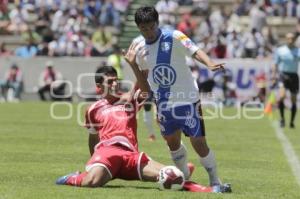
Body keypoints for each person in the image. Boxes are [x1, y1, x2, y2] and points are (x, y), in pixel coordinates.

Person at [55, 66, 231, 193]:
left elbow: (145, 90)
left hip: (131, 156)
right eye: (110, 81)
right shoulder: (93, 109)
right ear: (99, 87)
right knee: (91, 182)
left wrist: (137, 67)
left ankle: (212, 189)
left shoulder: (130, 101)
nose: (115, 84)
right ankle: (73, 177)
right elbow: (93, 137)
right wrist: (94, 160)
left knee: (172, 176)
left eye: (117, 80)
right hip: (107, 153)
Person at [123, 6, 229, 189]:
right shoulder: (137, 45)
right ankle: (184, 177)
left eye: (150, 27)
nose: (148, 32)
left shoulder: (174, 37)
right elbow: (144, 75)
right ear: (138, 27)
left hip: (187, 98)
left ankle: (215, 180)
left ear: (157, 23)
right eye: (143, 29)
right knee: (172, 142)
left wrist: (210, 63)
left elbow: (195, 51)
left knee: (199, 143)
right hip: (163, 103)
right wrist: (132, 90)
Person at [272, 33, 299, 128]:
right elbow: (275, 64)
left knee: (293, 100)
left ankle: (291, 122)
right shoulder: (280, 51)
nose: (290, 40)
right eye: (288, 38)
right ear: (286, 39)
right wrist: (274, 76)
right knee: (282, 96)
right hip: (283, 75)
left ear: (294, 39)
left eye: (292, 38)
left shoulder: (298, 51)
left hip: (294, 76)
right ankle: (282, 119)